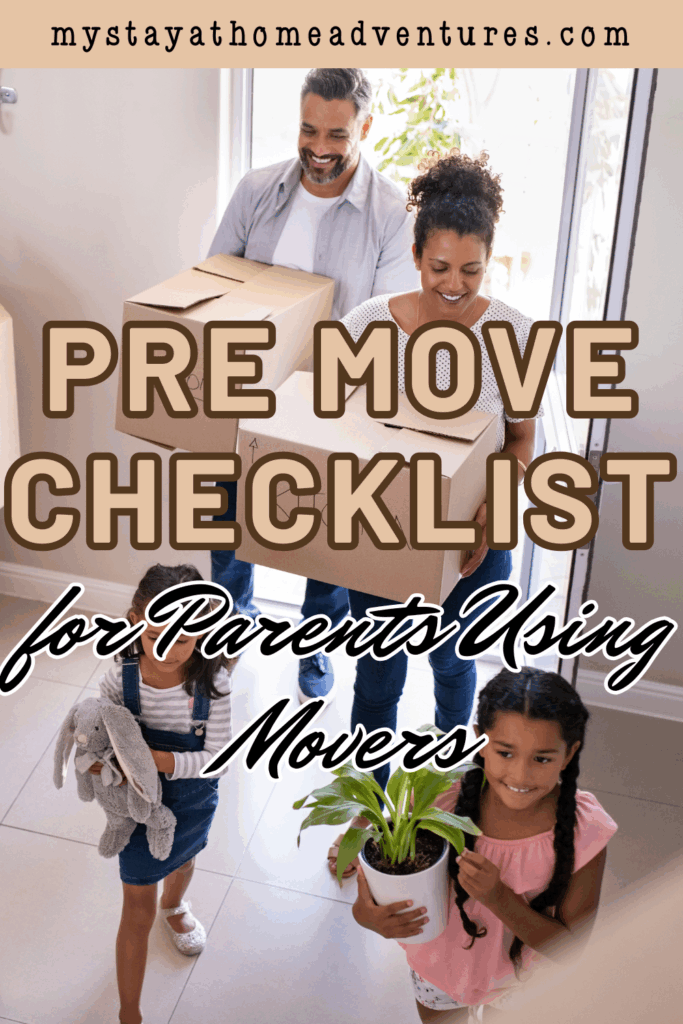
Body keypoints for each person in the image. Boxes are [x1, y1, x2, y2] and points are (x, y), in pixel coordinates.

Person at [328, 149, 538, 879]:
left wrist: (483, 521)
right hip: (382, 547)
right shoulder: (365, 325)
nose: (453, 285)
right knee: (376, 681)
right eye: (439, 267)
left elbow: (518, 439)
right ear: (415, 255)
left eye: (470, 271)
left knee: (455, 673)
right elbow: (332, 437)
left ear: (488, 264)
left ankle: (450, 806)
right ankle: (370, 810)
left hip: (476, 548)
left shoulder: (510, 333)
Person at [208, 67, 418, 704]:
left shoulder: (390, 212)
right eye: (307, 129)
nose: (318, 147)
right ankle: (227, 631)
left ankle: (315, 644)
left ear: (366, 127)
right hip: (247, 386)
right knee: (228, 514)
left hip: (333, 397)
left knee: (324, 536)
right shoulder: (256, 191)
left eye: (336, 133)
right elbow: (213, 280)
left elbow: (386, 321)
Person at [353, 667, 618, 1021]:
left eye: (542, 759)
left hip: (521, 984)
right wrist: (369, 917)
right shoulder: (438, 797)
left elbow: (570, 948)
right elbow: (374, 894)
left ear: (568, 755)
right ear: (480, 741)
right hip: (437, 971)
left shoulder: (585, 832)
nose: (520, 775)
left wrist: (500, 899)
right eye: (505, 753)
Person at [89, 564, 235, 1024]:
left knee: (185, 860)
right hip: (136, 807)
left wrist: (161, 761)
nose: (170, 652)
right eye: (157, 637)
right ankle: (128, 1011)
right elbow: (100, 734)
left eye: (186, 640)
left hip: (192, 800)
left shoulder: (212, 687)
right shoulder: (120, 680)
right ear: (135, 622)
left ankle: (174, 904)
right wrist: (98, 759)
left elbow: (219, 759)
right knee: (136, 909)